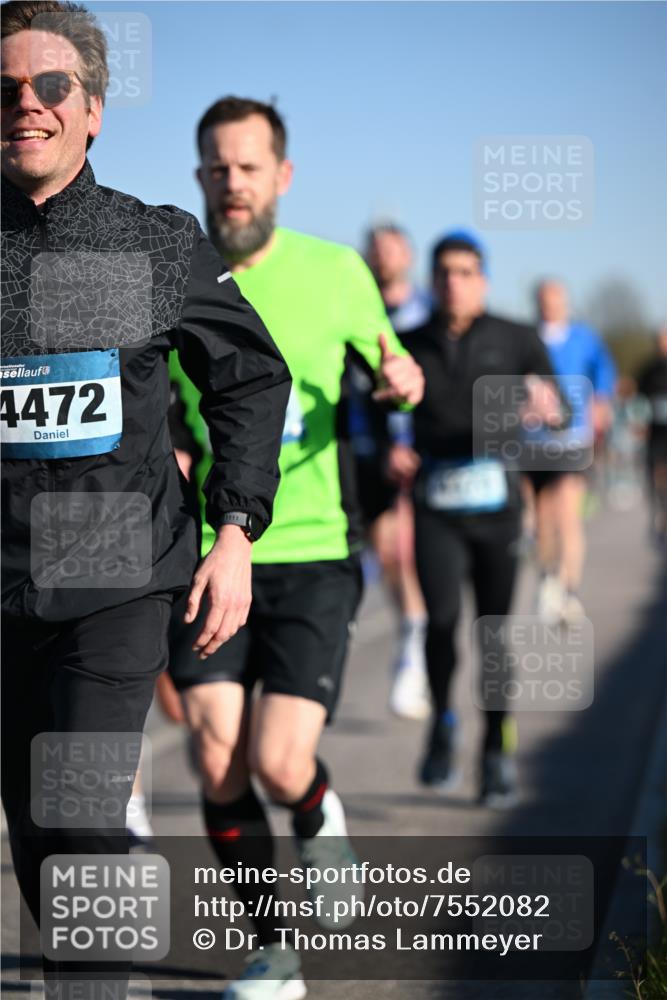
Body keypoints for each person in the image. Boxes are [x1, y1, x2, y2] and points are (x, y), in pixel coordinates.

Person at [0, 1, 290, 982]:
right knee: (40, 839)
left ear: (92, 111)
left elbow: (249, 375)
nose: (25, 106)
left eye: (50, 87)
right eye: (4, 90)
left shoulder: (153, 243)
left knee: (81, 820)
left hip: (119, 586)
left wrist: (237, 531)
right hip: (1, 591)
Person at [167, 97, 423, 999]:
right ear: (198, 175)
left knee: (278, 762)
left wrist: (401, 380)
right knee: (212, 756)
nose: (231, 184)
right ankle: (272, 949)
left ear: (281, 174)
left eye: (248, 166)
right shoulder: (173, 270)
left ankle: (318, 813)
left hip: (312, 548)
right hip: (207, 552)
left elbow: (393, 371)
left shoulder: (335, 271)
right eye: (215, 168)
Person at [396, 230, 564, 807]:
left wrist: (548, 407)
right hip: (436, 506)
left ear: (483, 279)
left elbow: (560, 406)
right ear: (431, 278)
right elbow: (376, 406)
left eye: (465, 272)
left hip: (497, 508)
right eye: (443, 272)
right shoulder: (407, 340)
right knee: (441, 624)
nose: (453, 282)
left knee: (492, 635)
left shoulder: (516, 338)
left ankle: (495, 750)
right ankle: (443, 723)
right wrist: (393, 443)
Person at [349, 223, 431, 719]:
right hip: (371, 454)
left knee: (408, 555)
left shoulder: (425, 310)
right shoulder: (357, 307)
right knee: (385, 553)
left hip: (420, 455)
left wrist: (412, 442)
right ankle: (410, 639)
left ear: (409, 254)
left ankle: (416, 652)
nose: (382, 257)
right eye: (375, 249)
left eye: (391, 248)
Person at [529, 280, 617, 624]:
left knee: (568, 515)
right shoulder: (527, 336)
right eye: (544, 299)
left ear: (565, 301)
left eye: (556, 299)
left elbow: (604, 373)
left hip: (572, 441)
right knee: (542, 520)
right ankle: (549, 578)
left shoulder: (583, 338)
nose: (550, 305)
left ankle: (570, 589)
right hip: (534, 442)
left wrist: (600, 403)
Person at [637, 325, 667, 543]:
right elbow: (638, 401)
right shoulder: (647, 370)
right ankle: (659, 510)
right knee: (654, 474)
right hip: (654, 432)